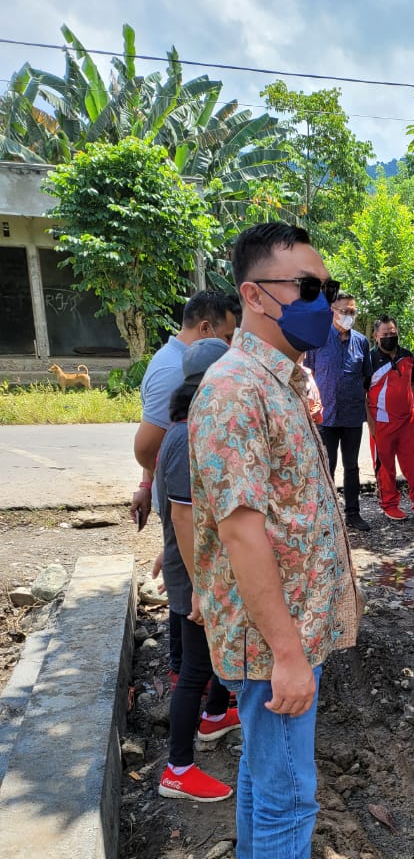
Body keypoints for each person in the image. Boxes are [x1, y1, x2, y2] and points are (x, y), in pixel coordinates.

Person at [189, 221, 388, 859]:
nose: (321, 303)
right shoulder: (236, 390)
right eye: (305, 289)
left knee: (260, 779)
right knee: (286, 793)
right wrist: (288, 653)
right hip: (276, 640)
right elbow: (241, 530)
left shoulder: (275, 379)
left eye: (324, 290)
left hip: (280, 632)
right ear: (253, 296)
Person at [129, 290, 239, 685]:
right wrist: (202, 583)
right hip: (184, 504)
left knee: (182, 583)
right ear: (206, 328)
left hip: (182, 502)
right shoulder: (176, 373)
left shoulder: (180, 366)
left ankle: (190, 676)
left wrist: (146, 484)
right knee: (187, 595)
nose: (230, 346)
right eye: (227, 337)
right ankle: (189, 679)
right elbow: (146, 446)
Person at [154, 339, 238, 803]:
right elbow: (184, 515)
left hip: (187, 564)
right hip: (194, 573)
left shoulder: (183, 427)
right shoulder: (187, 436)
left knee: (206, 660)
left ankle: (214, 715)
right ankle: (178, 768)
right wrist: (201, 586)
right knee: (195, 668)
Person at [303, 292, 373, 532]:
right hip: (326, 416)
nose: (348, 316)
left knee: (352, 466)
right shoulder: (317, 340)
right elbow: (307, 376)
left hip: (352, 415)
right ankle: (326, 515)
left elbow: (366, 377)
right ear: (332, 311)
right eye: (344, 311)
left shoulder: (361, 342)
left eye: (352, 311)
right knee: (327, 466)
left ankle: (353, 513)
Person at [367, 316, 414, 521]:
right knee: (385, 467)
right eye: (385, 334)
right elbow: (362, 394)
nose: (390, 336)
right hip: (381, 422)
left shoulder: (407, 356)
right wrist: (372, 427)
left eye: (393, 333)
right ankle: (389, 504)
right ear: (376, 336)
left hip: (407, 422)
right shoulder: (368, 360)